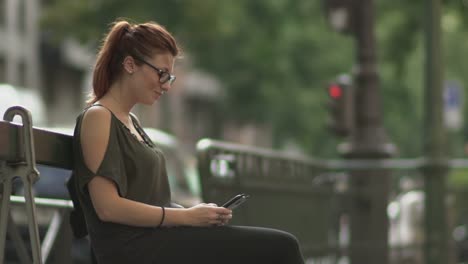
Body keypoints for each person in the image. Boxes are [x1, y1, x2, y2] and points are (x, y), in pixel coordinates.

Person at [71, 18, 305, 264]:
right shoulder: (98, 117)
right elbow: (107, 207)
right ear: (130, 64)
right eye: (162, 74)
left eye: (169, 78)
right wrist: (187, 218)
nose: (166, 86)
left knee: (274, 246)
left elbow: (149, 200)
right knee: (281, 247)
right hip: (135, 251)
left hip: (160, 241)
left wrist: (198, 214)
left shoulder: (130, 121)